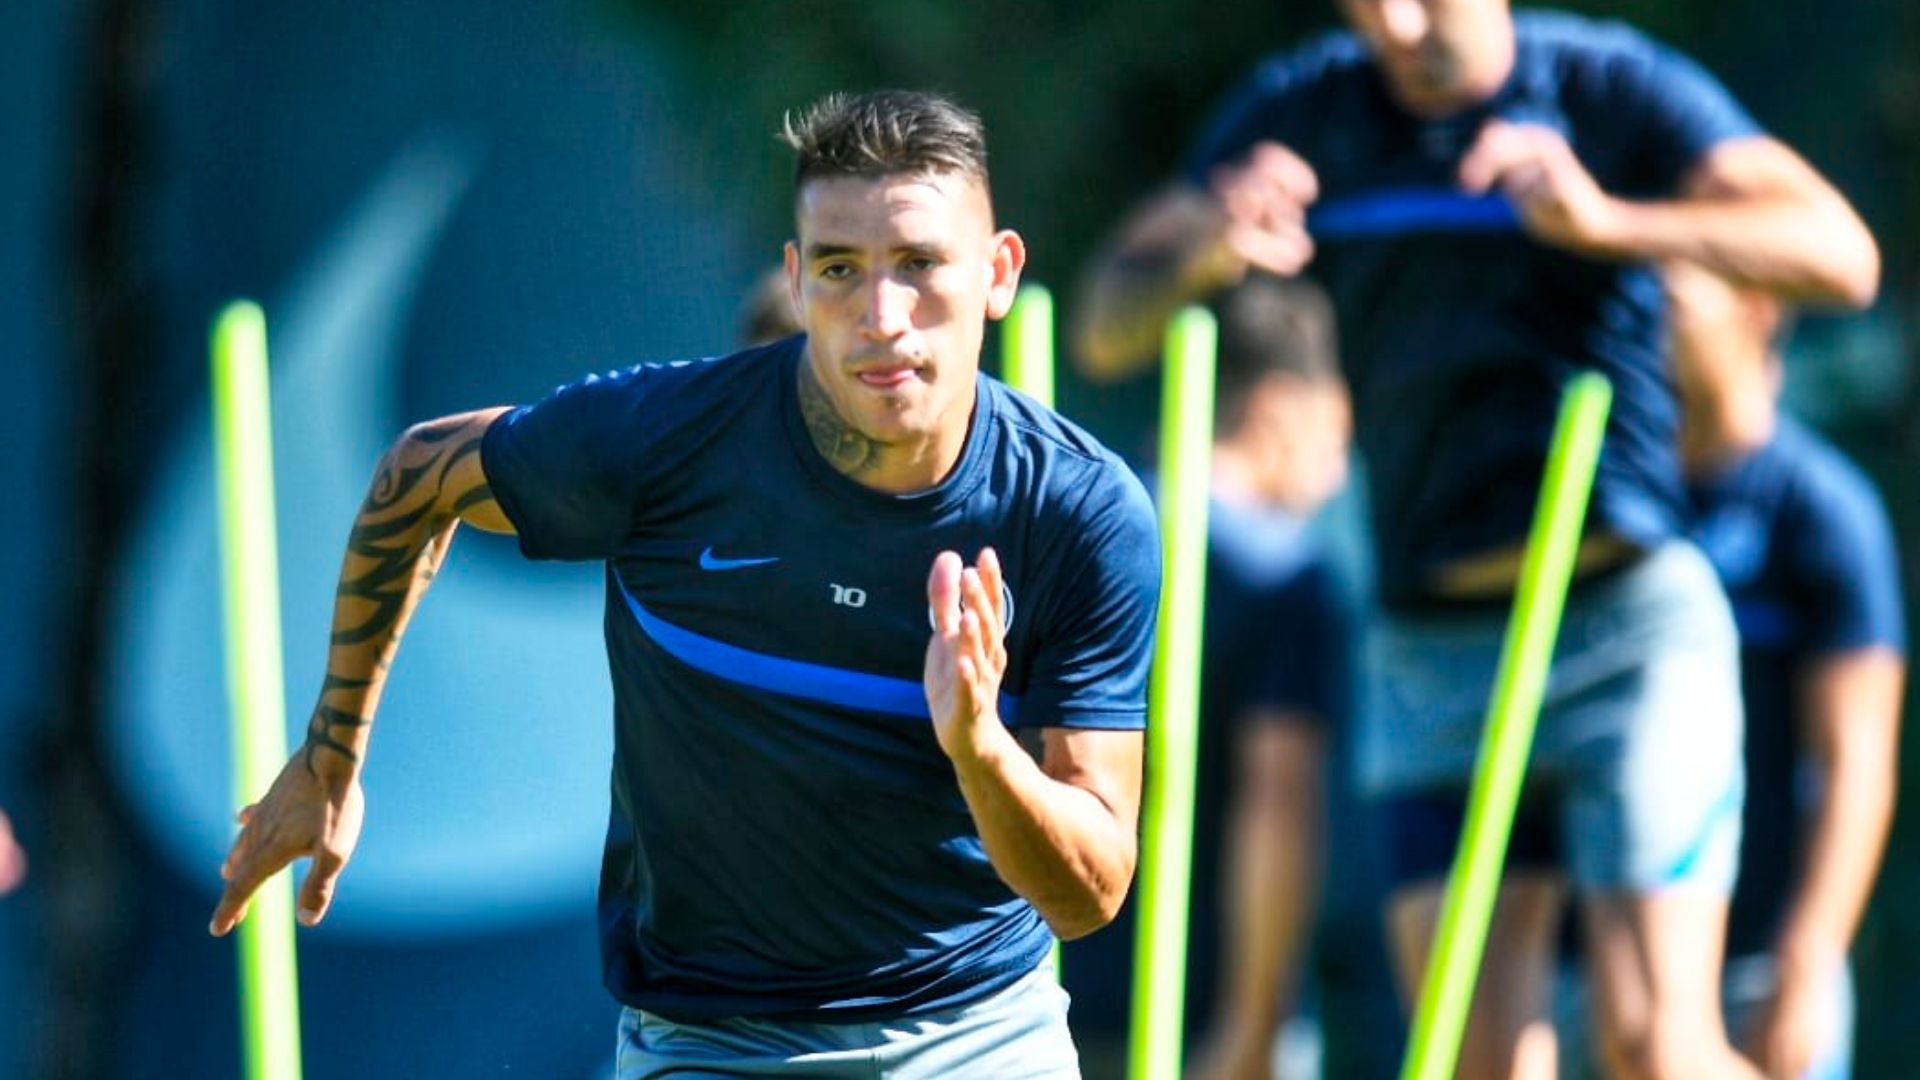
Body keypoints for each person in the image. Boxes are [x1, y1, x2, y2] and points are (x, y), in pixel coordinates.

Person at [210, 89, 1161, 1079]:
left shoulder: (1081, 515)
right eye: (841, 269)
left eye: (920, 265)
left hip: (980, 1038)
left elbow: (1088, 894)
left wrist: (980, 751)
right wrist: (330, 757)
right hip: (709, 1042)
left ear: (999, 272)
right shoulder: (666, 441)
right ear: (796, 282)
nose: (882, 318)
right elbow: (419, 474)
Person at [1073, 2, 1879, 1077]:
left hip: (1625, 627)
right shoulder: (1307, 109)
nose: (1394, 28)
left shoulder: (1607, 87)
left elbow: (1838, 256)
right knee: (1473, 1058)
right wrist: (1207, 253)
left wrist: (1612, 224)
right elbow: (1102, 322)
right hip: (1430, 645)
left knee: (1656, 1044)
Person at [1060, 275, 1363, 1077]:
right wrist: (1256, 1025)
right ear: (1277, 409)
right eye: (1336, 432)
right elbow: (1278, 801)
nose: (1338, 472)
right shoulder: (1287, 577)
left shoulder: (1083, 533)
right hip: (1201, 1017)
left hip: (1044, 990)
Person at [1670, 260, 1903, 1080]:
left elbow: (1855, 767)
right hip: (1628, 965)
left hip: (1763, 961)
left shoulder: (1824, 512)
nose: (1649, 318)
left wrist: (1804, 965)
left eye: (1672, 294)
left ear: (1757, 308)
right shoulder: (1628, 499)